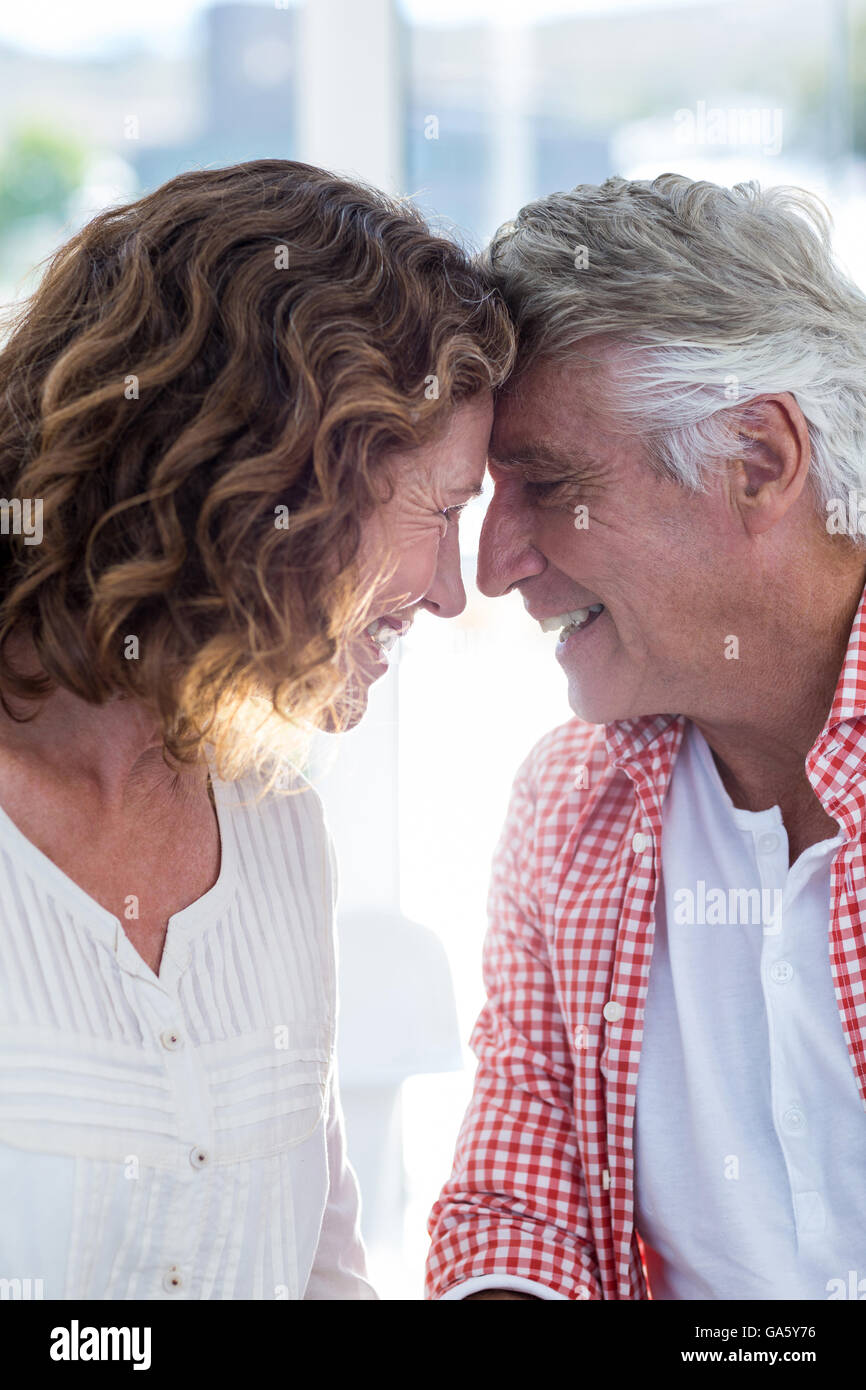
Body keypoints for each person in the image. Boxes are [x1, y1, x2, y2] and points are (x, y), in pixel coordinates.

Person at [0, 158, 514, 1299]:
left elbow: (320, 1270)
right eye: (441, 510)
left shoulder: (276, 823)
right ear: (272, 471)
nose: (449, 594)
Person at [426, 173, 866, 1300]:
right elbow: (513, 1210)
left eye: (547, 486)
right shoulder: (571, 803)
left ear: (756, 459)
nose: (492, 566)